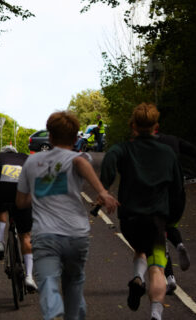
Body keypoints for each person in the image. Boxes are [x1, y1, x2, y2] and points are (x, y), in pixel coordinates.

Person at [16, 111, 118, 320]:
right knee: (74, 282)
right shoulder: (79, 157)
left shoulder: (31, 163)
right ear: (75, 139)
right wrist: (102, 192)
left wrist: (37, 193)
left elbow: (21, 202)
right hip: (76, 235)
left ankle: (53, 310)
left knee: (47, 280)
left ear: (50, 137)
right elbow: (79, 163)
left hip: (45, 235)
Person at [100, 103, 185, 320]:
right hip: (156, 220)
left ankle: (138, 277)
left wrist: (105, 187)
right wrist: (172, 219)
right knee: (157, 267)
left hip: (129, 219)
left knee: (139, 249)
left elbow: (110, 159)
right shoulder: (167, 153)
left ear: (133, 125)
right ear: (156, 126)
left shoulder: (124, 149)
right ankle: (156, 314)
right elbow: (177, 190)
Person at [0, 145, 37, 292]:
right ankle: (29, 277)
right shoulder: (26, 158)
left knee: (0, 209)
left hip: (2, 190)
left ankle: (0, 242)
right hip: (22, 192)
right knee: (25, 236)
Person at [154, 132, 196, 293]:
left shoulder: (143, 144)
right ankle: (179, 244)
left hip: (157, 195)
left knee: (158, 234)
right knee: (170, 225)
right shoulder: (173, 140)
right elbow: (193, 150)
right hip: (177, 194)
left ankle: (169, 277)